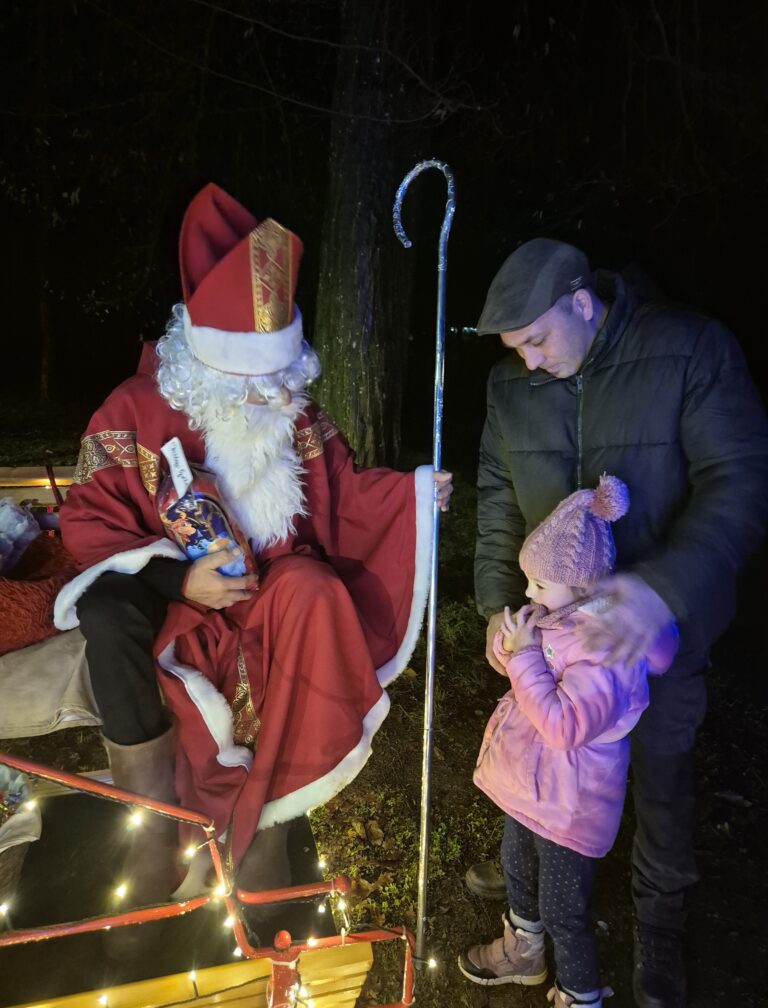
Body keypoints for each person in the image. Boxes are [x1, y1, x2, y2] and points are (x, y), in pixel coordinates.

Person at [53, 183, 452, 918]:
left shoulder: (291, 411)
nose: (268, 399)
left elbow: (344, 490)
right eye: (248, 384)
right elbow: (89, 522)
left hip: (270, 597)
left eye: (275, 380)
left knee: (315, 593)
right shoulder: (134, 410)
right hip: (183, 606)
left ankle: (274, 818)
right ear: (204, 365)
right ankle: (159, 833)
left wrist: (416, 493)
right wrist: (180, 581)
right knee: (120, 619)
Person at [469, 238, 768, 1008]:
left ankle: (658, 924)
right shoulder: (512, 388)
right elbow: (498, 500)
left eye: (537, 341)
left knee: (661, 777)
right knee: (546, 754)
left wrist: (663, 590)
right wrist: (497, 606)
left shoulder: (689, 349)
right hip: (555, 633)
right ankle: (532, 883)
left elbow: (740, 482)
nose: (528, 362)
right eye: (514, 349)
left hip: (660, 633)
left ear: (581, 301)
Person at [460, 475, 677, 1007]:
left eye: (539, 584)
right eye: (528, 581)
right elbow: (525, 665)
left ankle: (580, 993)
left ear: (580, 586)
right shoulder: (560, 615)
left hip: (568, 807)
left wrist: (524, 656)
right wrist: (510, 649)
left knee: (563, 909)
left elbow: (563, 726)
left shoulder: (606, 651)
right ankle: (524, 953)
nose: (528, 594)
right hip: (531, 790)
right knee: (516, 868)